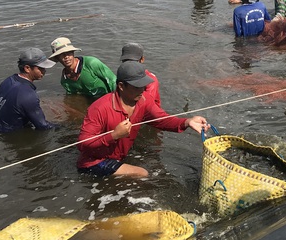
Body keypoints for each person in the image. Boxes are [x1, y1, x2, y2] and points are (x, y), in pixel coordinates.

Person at [77, 61, 209, 177]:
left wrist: (187, 122)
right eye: (136, 86)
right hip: (93, 162)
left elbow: (162, 120)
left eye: (143, 85)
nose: (142, 90)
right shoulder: (99, 108)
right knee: (142, 173)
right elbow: (83, 144)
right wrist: (114, 135)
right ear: (121, 86)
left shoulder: (143, 100)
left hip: (117, 157)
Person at [0, 48, 58, 132]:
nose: (44, 71)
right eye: (41, 68)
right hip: (11, 135)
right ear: (27, 68)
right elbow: (42, 126)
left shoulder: (8, 81)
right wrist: (65, 127)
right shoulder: (28, 95)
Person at [49, 36, 116, 99]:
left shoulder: (91, 63)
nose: (66, 56)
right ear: (57, 58)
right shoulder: (65, 81)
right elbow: (75, 97)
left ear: (73, 52)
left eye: (68, 52)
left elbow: (113, 80)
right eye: (61, 54)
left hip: (108, 98)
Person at [120, 42, 161, 107]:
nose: (129, 64)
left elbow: (147, 103)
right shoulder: (123, 75)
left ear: (142, 60)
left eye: (133, 61)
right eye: (126, 61)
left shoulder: (151, 80)